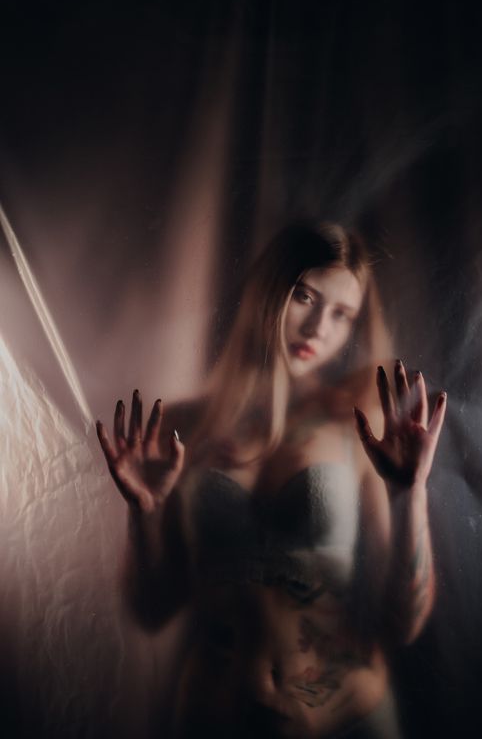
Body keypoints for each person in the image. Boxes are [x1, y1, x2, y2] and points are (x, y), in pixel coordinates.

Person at [96, 221, 446, 738]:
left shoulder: (356, 423)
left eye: (342, 314)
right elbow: (150, 611)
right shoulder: (179, 428)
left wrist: (408, 492)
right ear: (268, 290)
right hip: (217, 716)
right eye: (305, 297)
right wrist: (143, 514)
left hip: (349, 716)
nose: (319, 328)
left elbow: (404, 623)